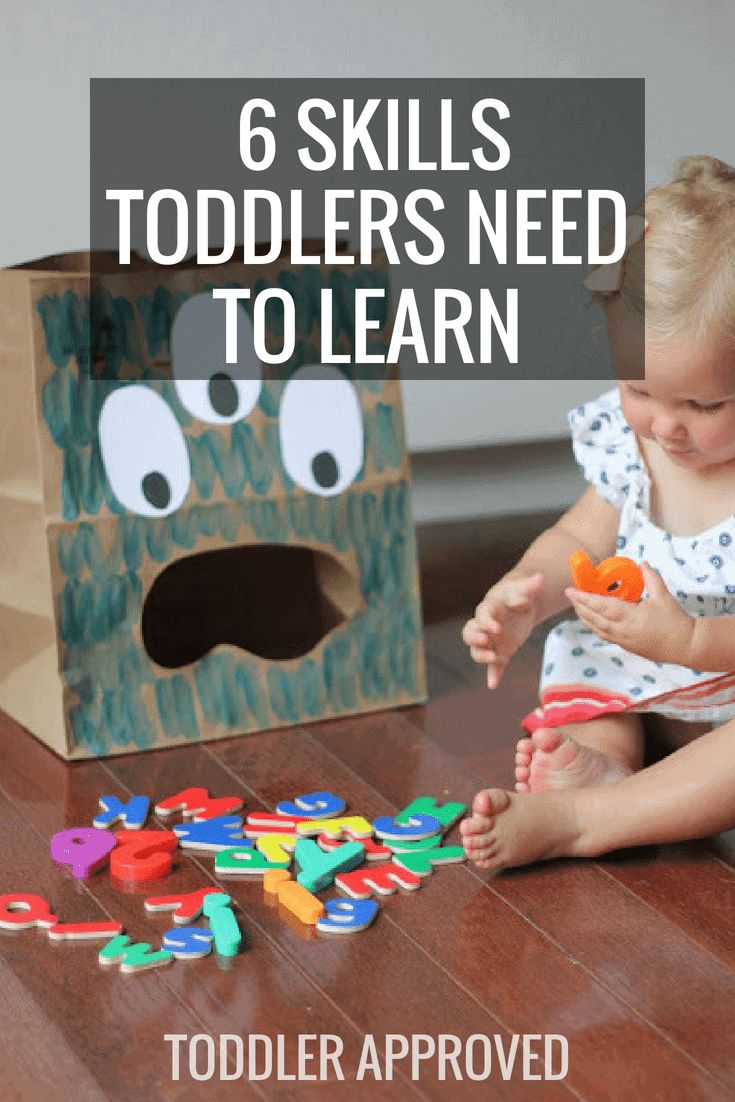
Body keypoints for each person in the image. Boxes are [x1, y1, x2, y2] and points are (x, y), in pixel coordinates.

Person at [460, 155, 735, 871]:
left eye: (704, 406)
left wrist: (693, 639)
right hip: (646, 685)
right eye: (638, 390)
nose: (666, 428)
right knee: (589, 658)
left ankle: (590, 819)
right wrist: (525, 593)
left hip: (723, 685)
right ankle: (601, 762)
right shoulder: (630, 443)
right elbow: (578, 536)